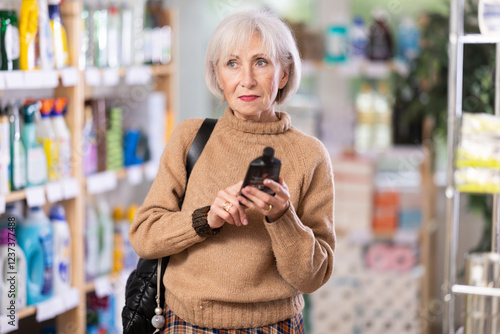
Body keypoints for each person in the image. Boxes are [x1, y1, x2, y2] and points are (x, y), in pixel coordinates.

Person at [129, 9, 335, 333]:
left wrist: (283, 216)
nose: (247, 79)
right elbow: (144, 236)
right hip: (186, 324)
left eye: (262, 62)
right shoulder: (191, 137)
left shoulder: (311, 156)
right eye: (232, 63)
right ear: (218, 74)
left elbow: (313, 277)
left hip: (272, 326)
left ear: (283, 74)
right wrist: (204, 219)